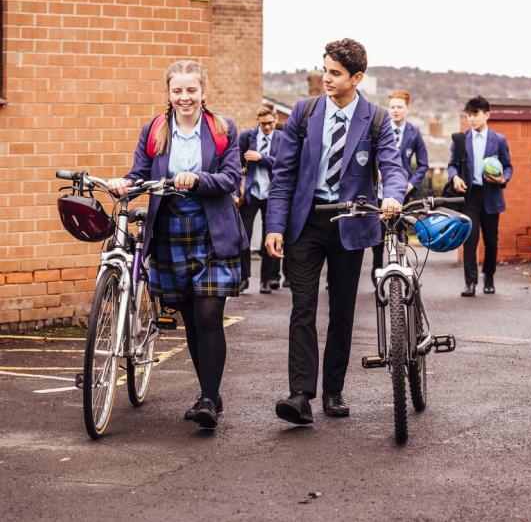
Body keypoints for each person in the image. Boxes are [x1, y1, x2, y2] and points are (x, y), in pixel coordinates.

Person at [265, 38, 408, 425]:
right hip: (307, 222)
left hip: (351, 220)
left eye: (335, 73)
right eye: (324, 69)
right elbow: (283, 176)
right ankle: (299, 395)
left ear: (356, 78)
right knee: (303, 306)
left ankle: (333, 391)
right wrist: (274, 225)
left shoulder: (376, 119)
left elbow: (393, 167)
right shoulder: (304, 112)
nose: (325, 78)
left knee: (342, 310)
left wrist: (392, 195)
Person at [108, 60, 248, 429]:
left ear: (203, 91)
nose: (184, 97)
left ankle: (207, 401)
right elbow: (140, 173)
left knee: (208, 315)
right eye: (177, 91)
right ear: (168, 93)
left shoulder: (222, 128)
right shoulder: (155, 130)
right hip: (169, 230)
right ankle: (211, 393)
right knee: (189, 316)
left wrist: (198, 179)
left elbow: (231, 178)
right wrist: (124, 182)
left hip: (212, 230)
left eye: (191, 90)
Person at [448, 95, 513, 297]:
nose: (471, 119)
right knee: (470, 239)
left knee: (491, 241)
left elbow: (509, 167)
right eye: (468, 115)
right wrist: (455, 177)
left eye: (475, 115)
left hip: (492, 195)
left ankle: (489, 278)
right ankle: (470, 283)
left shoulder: (499, 140)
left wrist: (502, 179)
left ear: (487, 115)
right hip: (470, 196)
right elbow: (451, 165)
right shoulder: (460, 139)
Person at [371, 90, 429, 274]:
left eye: (399, 107)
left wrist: (411, 183)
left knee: (401, 233)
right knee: (378, 236)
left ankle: (404, 271)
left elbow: (423, 164)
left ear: (407, 109)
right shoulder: (379, 130)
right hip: (379, 192)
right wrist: (375, 171)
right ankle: (377, 268)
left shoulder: (414, 133)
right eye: (392, 107)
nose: (395, 110)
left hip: (404, 193)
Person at [238, 103, 285, 294]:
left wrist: (261, 157)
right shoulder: (246, 137)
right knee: (243, 237)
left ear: (276, 120)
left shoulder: (282, 139)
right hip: (250, 194)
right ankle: (243, 279)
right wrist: (236, 191)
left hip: (272, 195)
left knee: (270, 236)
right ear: (257, 121)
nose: (267, 127)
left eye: (270, 123)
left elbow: (283, 165)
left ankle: (267, 279)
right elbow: (234, 162)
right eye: (263, 123)